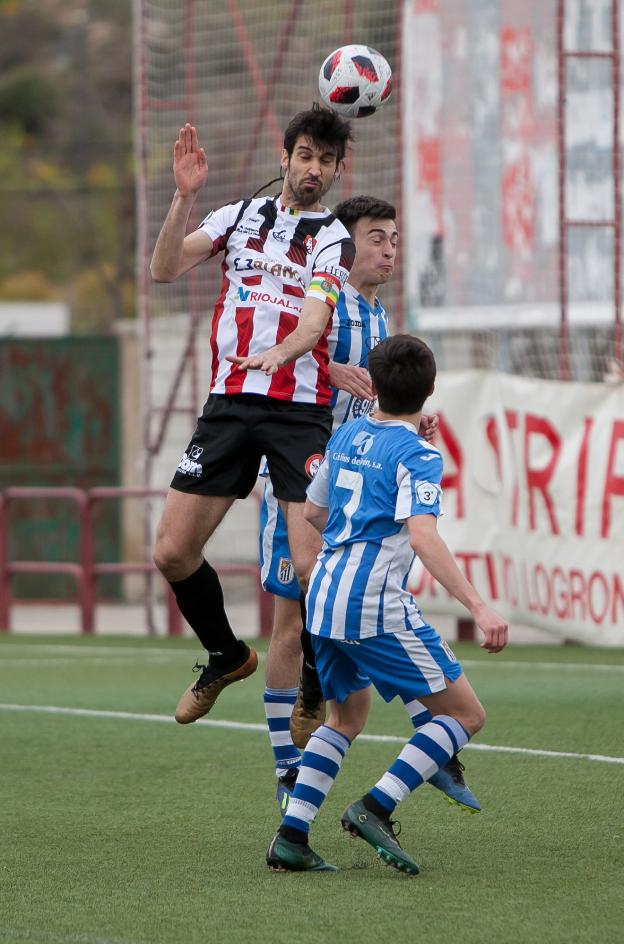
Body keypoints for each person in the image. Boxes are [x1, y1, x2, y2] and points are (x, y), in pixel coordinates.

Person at [260, 198, 476, 819]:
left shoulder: (380, 317)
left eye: (394, 239)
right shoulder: (318, 303)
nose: (388, 249)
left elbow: (374, 400)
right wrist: (331, 366)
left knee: (368, 604)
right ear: (344, 246)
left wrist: (408, 418)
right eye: (375, 238)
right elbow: (280, 360)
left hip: (356, 481)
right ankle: (287, 763)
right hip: (302, 474)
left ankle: (430, 728)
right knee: (296, 610)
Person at [266, 334, 508, 874]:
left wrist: (354, 540)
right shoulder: (420, 456)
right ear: (431, 388)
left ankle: (291, 836)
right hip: (371, 602)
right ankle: (375, 806)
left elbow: (312, 513)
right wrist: (480, 607)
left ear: (372, 385)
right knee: (466, 714)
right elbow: (422, 537)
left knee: (345, 717)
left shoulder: (347, 433)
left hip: (324, 596)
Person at [150, 105, 355, 721]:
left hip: (298, 412)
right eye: (305, 155)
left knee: (311, 565)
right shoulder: (237, 216)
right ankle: (225, 654)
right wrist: (184, 197)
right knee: (171, 552)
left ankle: (316, 682)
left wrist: (284, 350)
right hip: (231, 405)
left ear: (338, 170)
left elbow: (317, 317)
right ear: (285, 156)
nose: (313, 168)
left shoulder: (332, 237)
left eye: (326, 160)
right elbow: (162, 270)